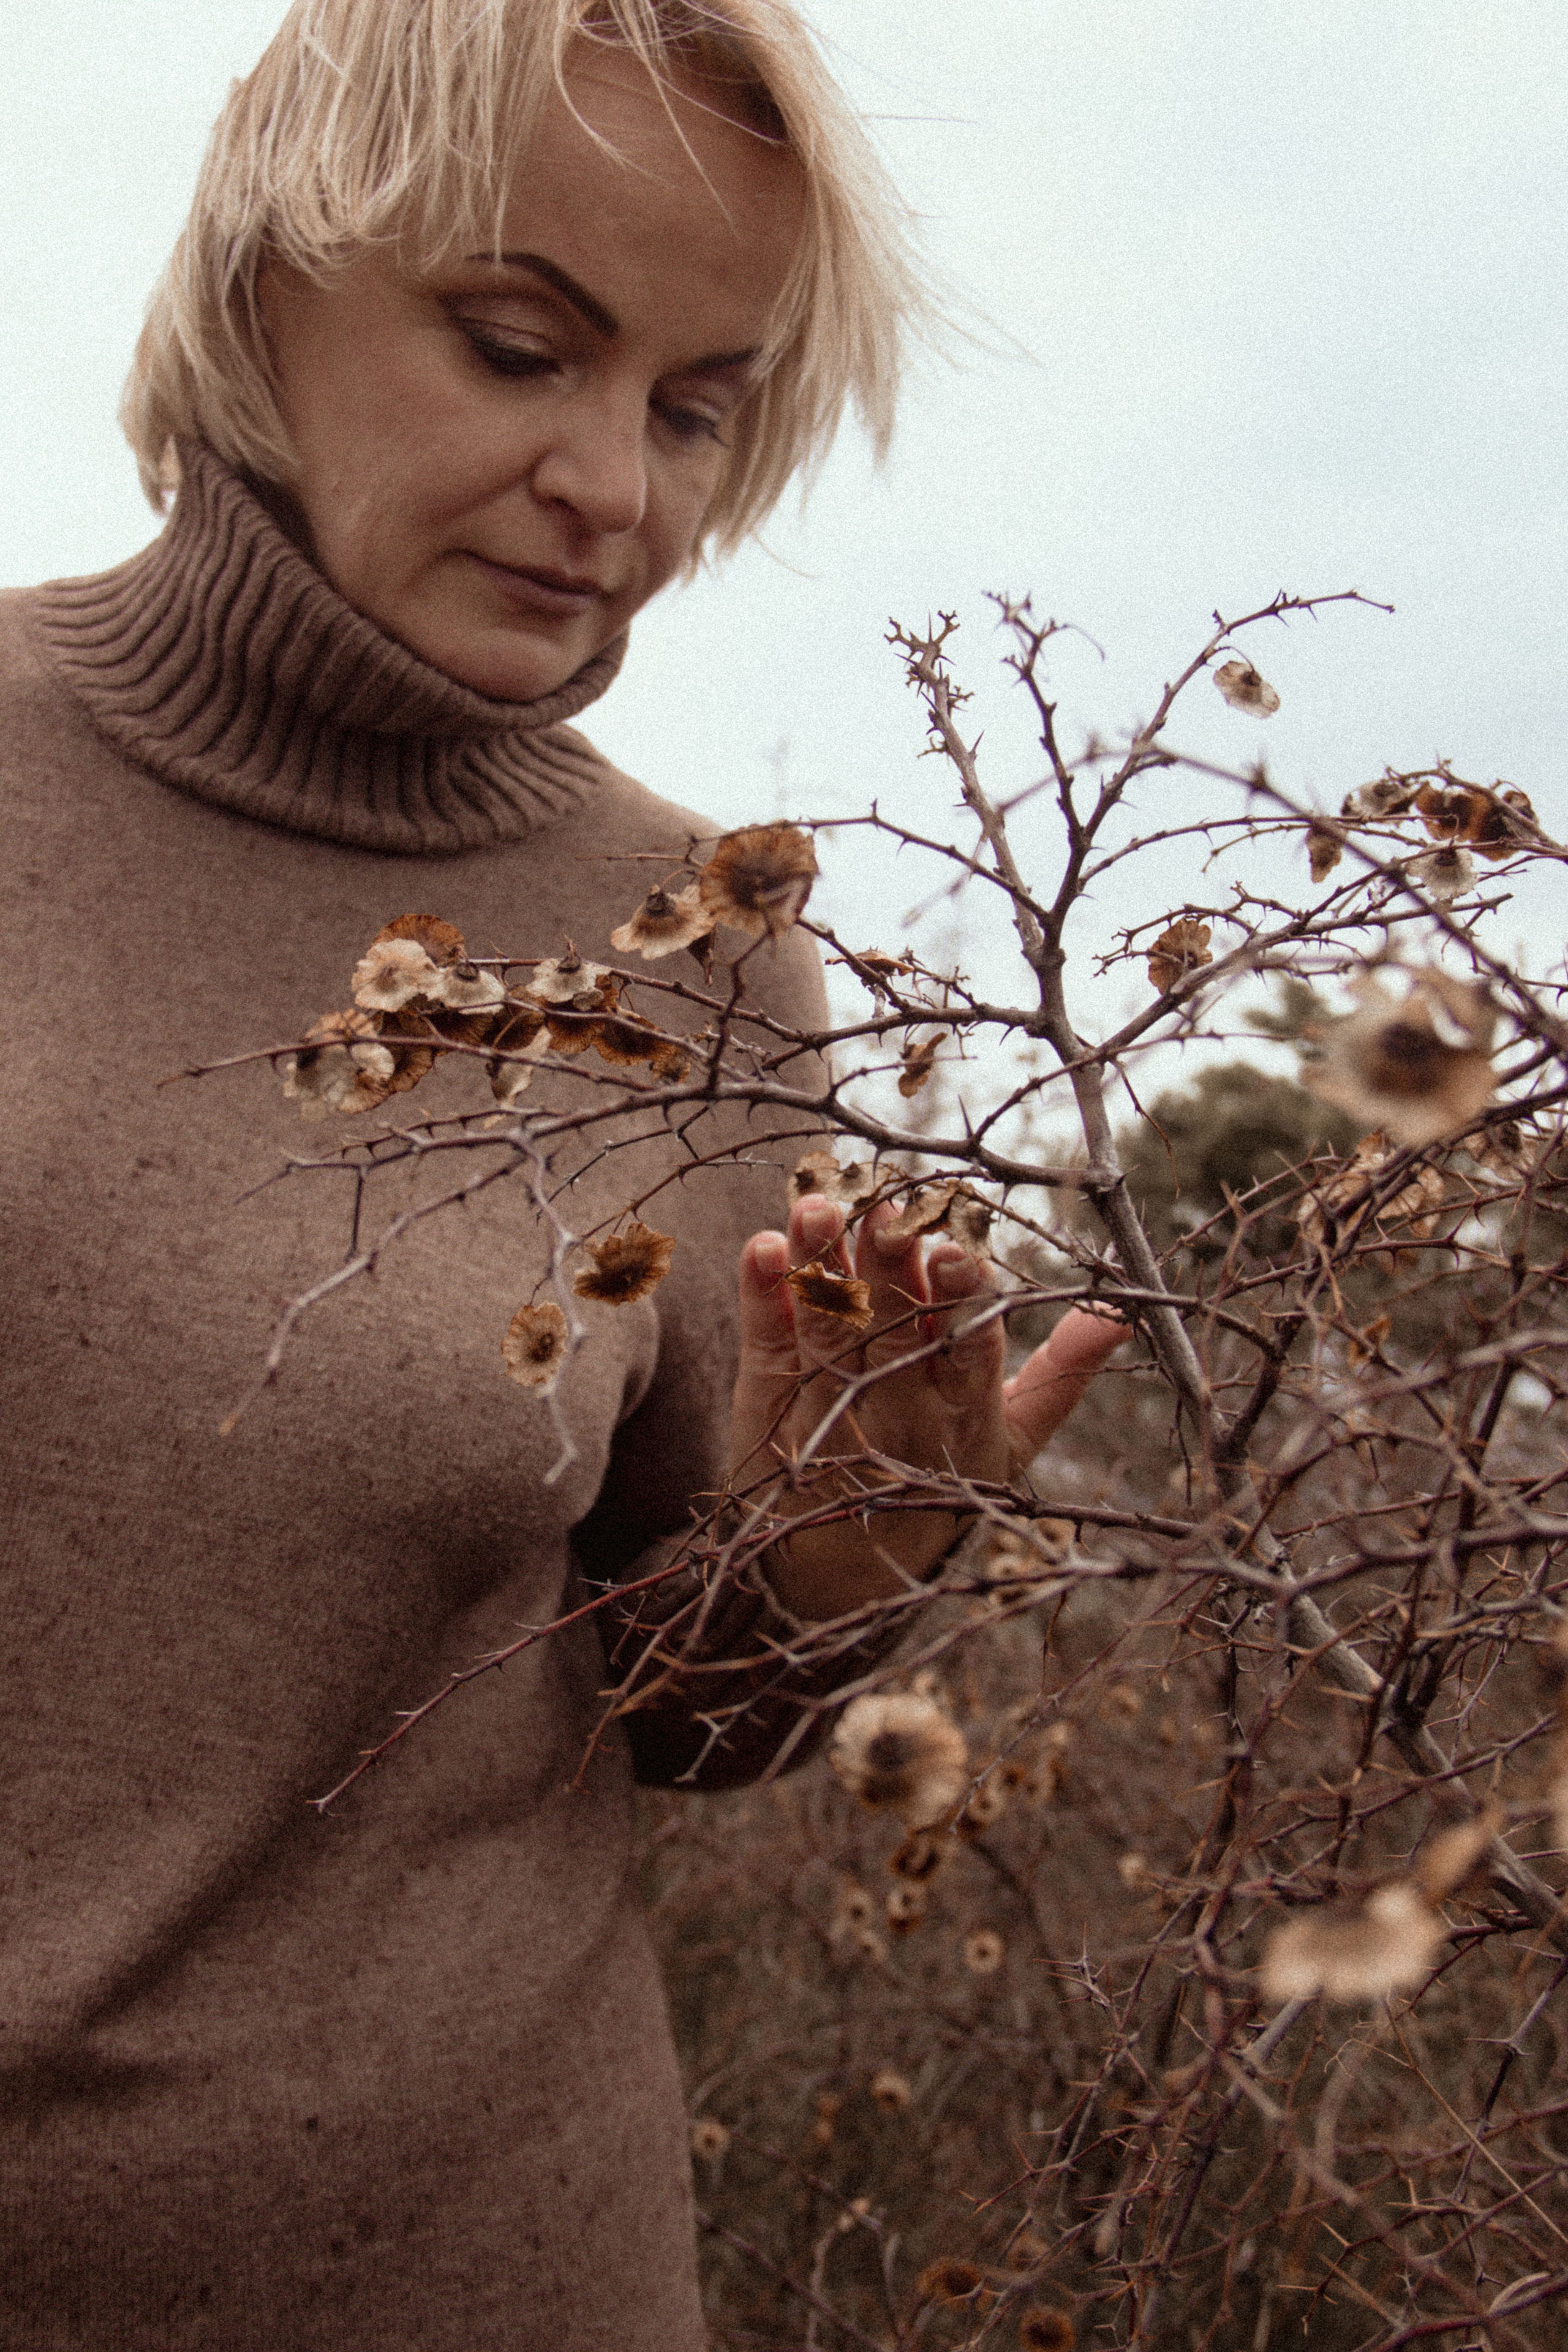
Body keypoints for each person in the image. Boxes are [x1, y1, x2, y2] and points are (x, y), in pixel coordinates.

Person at [0, 4, 1120, 2343]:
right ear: (254, 289)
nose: (619, 487)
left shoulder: (707, 949)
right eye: (522, 348)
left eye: (696, 404)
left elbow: (686, 1701)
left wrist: (829, 1572)